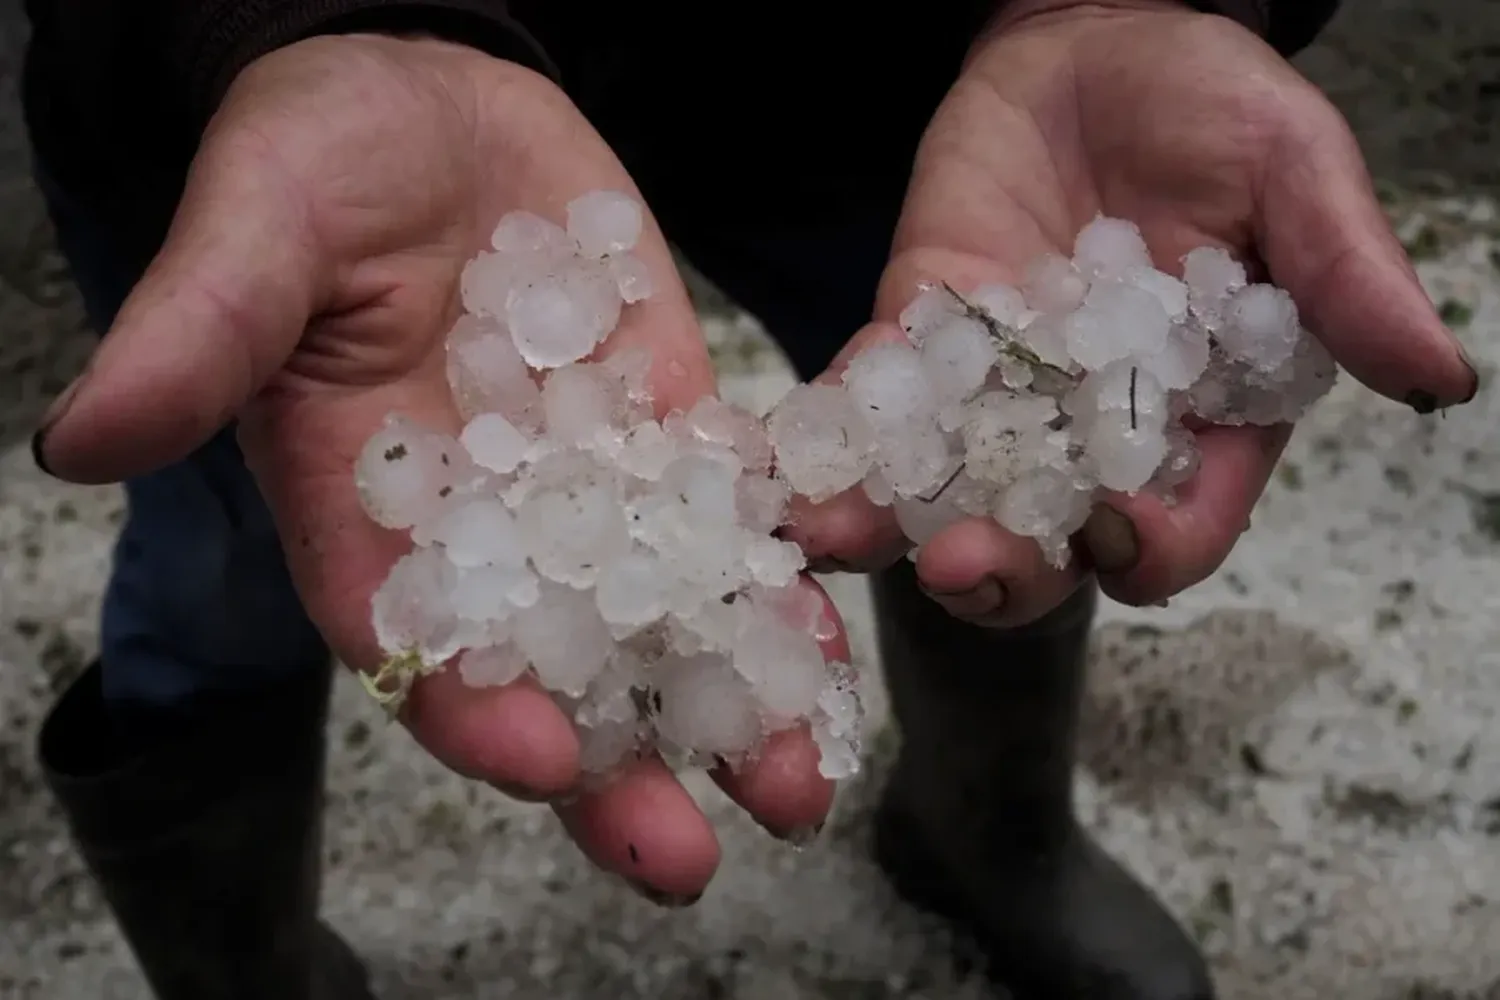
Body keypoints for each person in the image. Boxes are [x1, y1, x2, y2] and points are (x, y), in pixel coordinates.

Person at [18, 1, 1476, 997]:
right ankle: (243, 973)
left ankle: (986, 829)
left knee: (962, 480)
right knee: (229, 551)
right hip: (259, 90)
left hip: (880, 66)